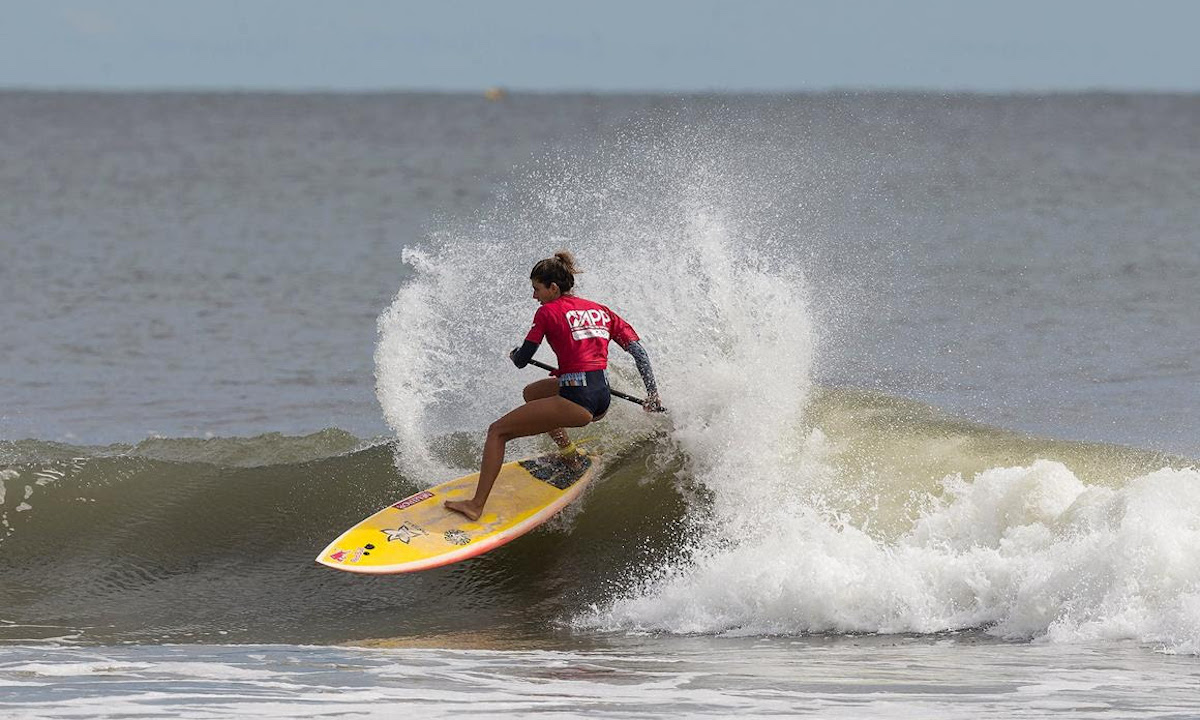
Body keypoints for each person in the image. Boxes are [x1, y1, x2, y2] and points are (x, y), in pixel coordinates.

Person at [444, 251, 661, 521]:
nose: (534, 296)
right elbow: (639, 352)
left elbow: (523, 360)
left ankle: (475, 505)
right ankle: (569, 454)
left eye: (537, 289)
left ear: (553, 288)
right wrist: (652, 394)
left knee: (497, 432)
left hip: (577, 401)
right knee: (532, 394)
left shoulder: (547, 312)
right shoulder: (600, 310)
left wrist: (516, 355)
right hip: (601, 396)